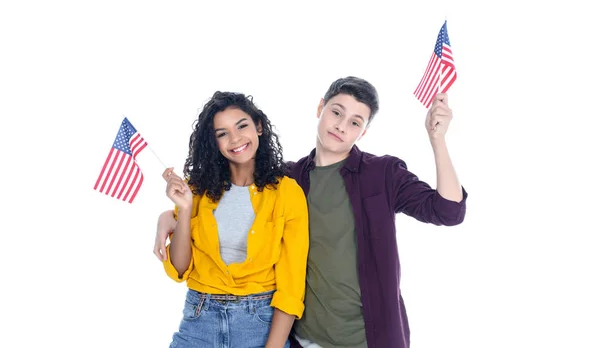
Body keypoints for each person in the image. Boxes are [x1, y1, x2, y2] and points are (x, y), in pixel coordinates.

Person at [155, 77, 467, 348]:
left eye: (355, 122)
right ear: (320, 109)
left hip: (368, 338)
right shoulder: (290, 178)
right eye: (336, 112)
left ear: (364, 132)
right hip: (302, 338)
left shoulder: (382, 173)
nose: (342, 126)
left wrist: (437, 140)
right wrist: (170, 217)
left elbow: (448, 211)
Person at [160, 91, 309, 348]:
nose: (235, 138)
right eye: (222, 133)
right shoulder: (196, 189)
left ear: (258, 127)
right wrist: (183, 210)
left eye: (242, 126)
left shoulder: (287, 192)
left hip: (259, 324)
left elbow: (291, 287)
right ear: (214, 142)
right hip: (199, 320)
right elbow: (180, 268)